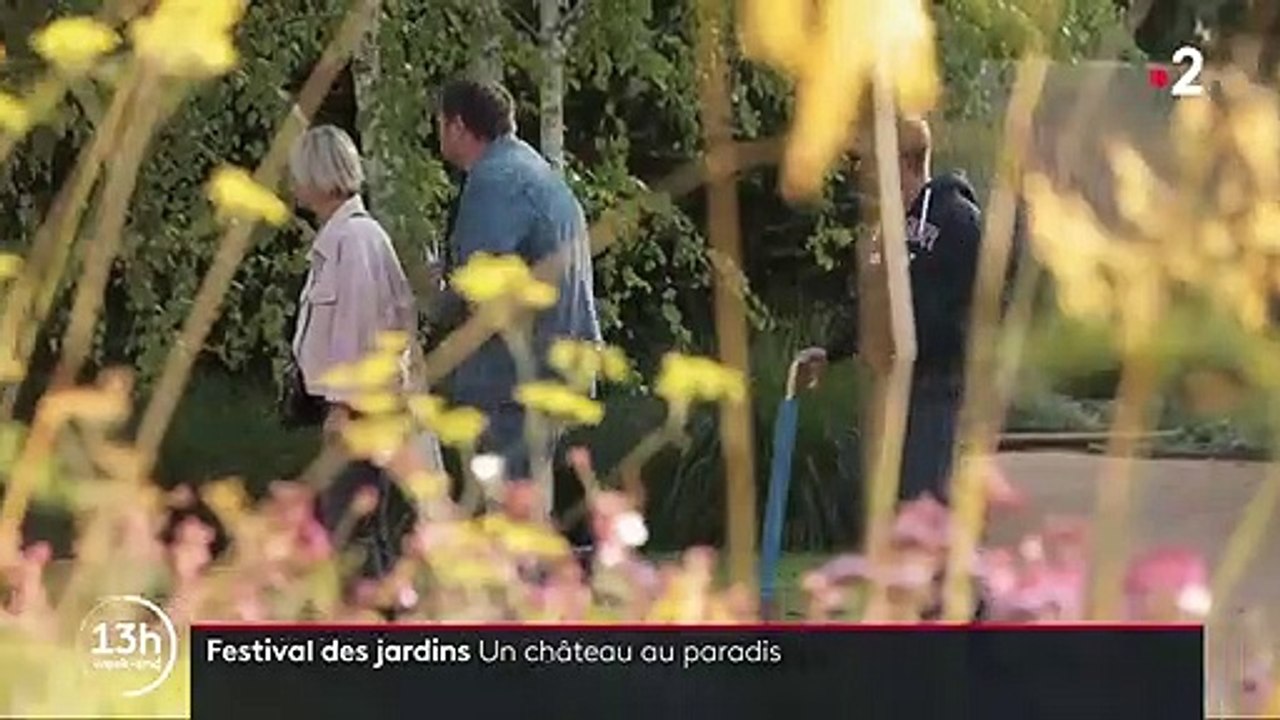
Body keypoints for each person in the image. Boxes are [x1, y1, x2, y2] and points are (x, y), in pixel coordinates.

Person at [430, 77, 602, 515]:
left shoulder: (493, 181)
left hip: (514, 378)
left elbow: (484, 291)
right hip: (561, 364)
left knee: (510, 517)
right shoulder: (539, 172)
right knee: (526, 510)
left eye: (440, 121)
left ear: (458, 126)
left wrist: (431, 297)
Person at [794, 116, 981, 505]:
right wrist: (833, 350)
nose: (868, 174)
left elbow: (977, 304)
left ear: (904, 162)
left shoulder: (956, 217)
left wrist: (916, 344)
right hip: (896, 387)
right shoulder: (889, 227)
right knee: (898, 507)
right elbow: (874, 301)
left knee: (924, 505)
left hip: (935, 384)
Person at [288, 124, 443, 579]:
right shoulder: (350, 238)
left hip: (359, 408)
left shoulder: (353, 242)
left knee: (349, 533)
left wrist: (342, 408)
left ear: (318, 176)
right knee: (353, 528)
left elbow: (358, 332)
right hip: (361, 406)